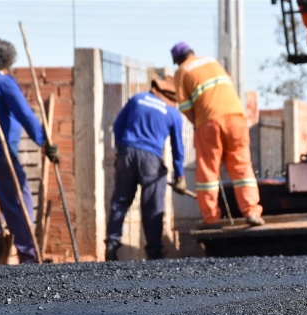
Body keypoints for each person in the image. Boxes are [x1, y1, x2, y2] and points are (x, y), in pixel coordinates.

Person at [171, 42, 264, 229]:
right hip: (237, 118)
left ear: (177, 61)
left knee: (208, 172)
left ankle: (211, 219)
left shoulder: (182, 71)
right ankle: (252, 212)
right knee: (242, 168)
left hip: (209, 121)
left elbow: (186, 108)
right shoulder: (211, 61)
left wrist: (198, 125)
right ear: (192, 52)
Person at [0, 40, 58, 264]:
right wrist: (44, 142)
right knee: (19, 199)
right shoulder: (3, 82)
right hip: (1, 151)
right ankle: (28, 254)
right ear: (8, 62)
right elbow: (25, 114)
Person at [105, 76, 185, 261]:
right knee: (152, 206)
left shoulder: (137, 99)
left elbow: (118, 126)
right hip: (151, 159)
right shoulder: (173, 113)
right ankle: (154, 252)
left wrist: (120, 150)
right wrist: (179, 175)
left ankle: (111, 244)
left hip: (127, 152)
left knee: (120, 201)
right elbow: (177, 148)